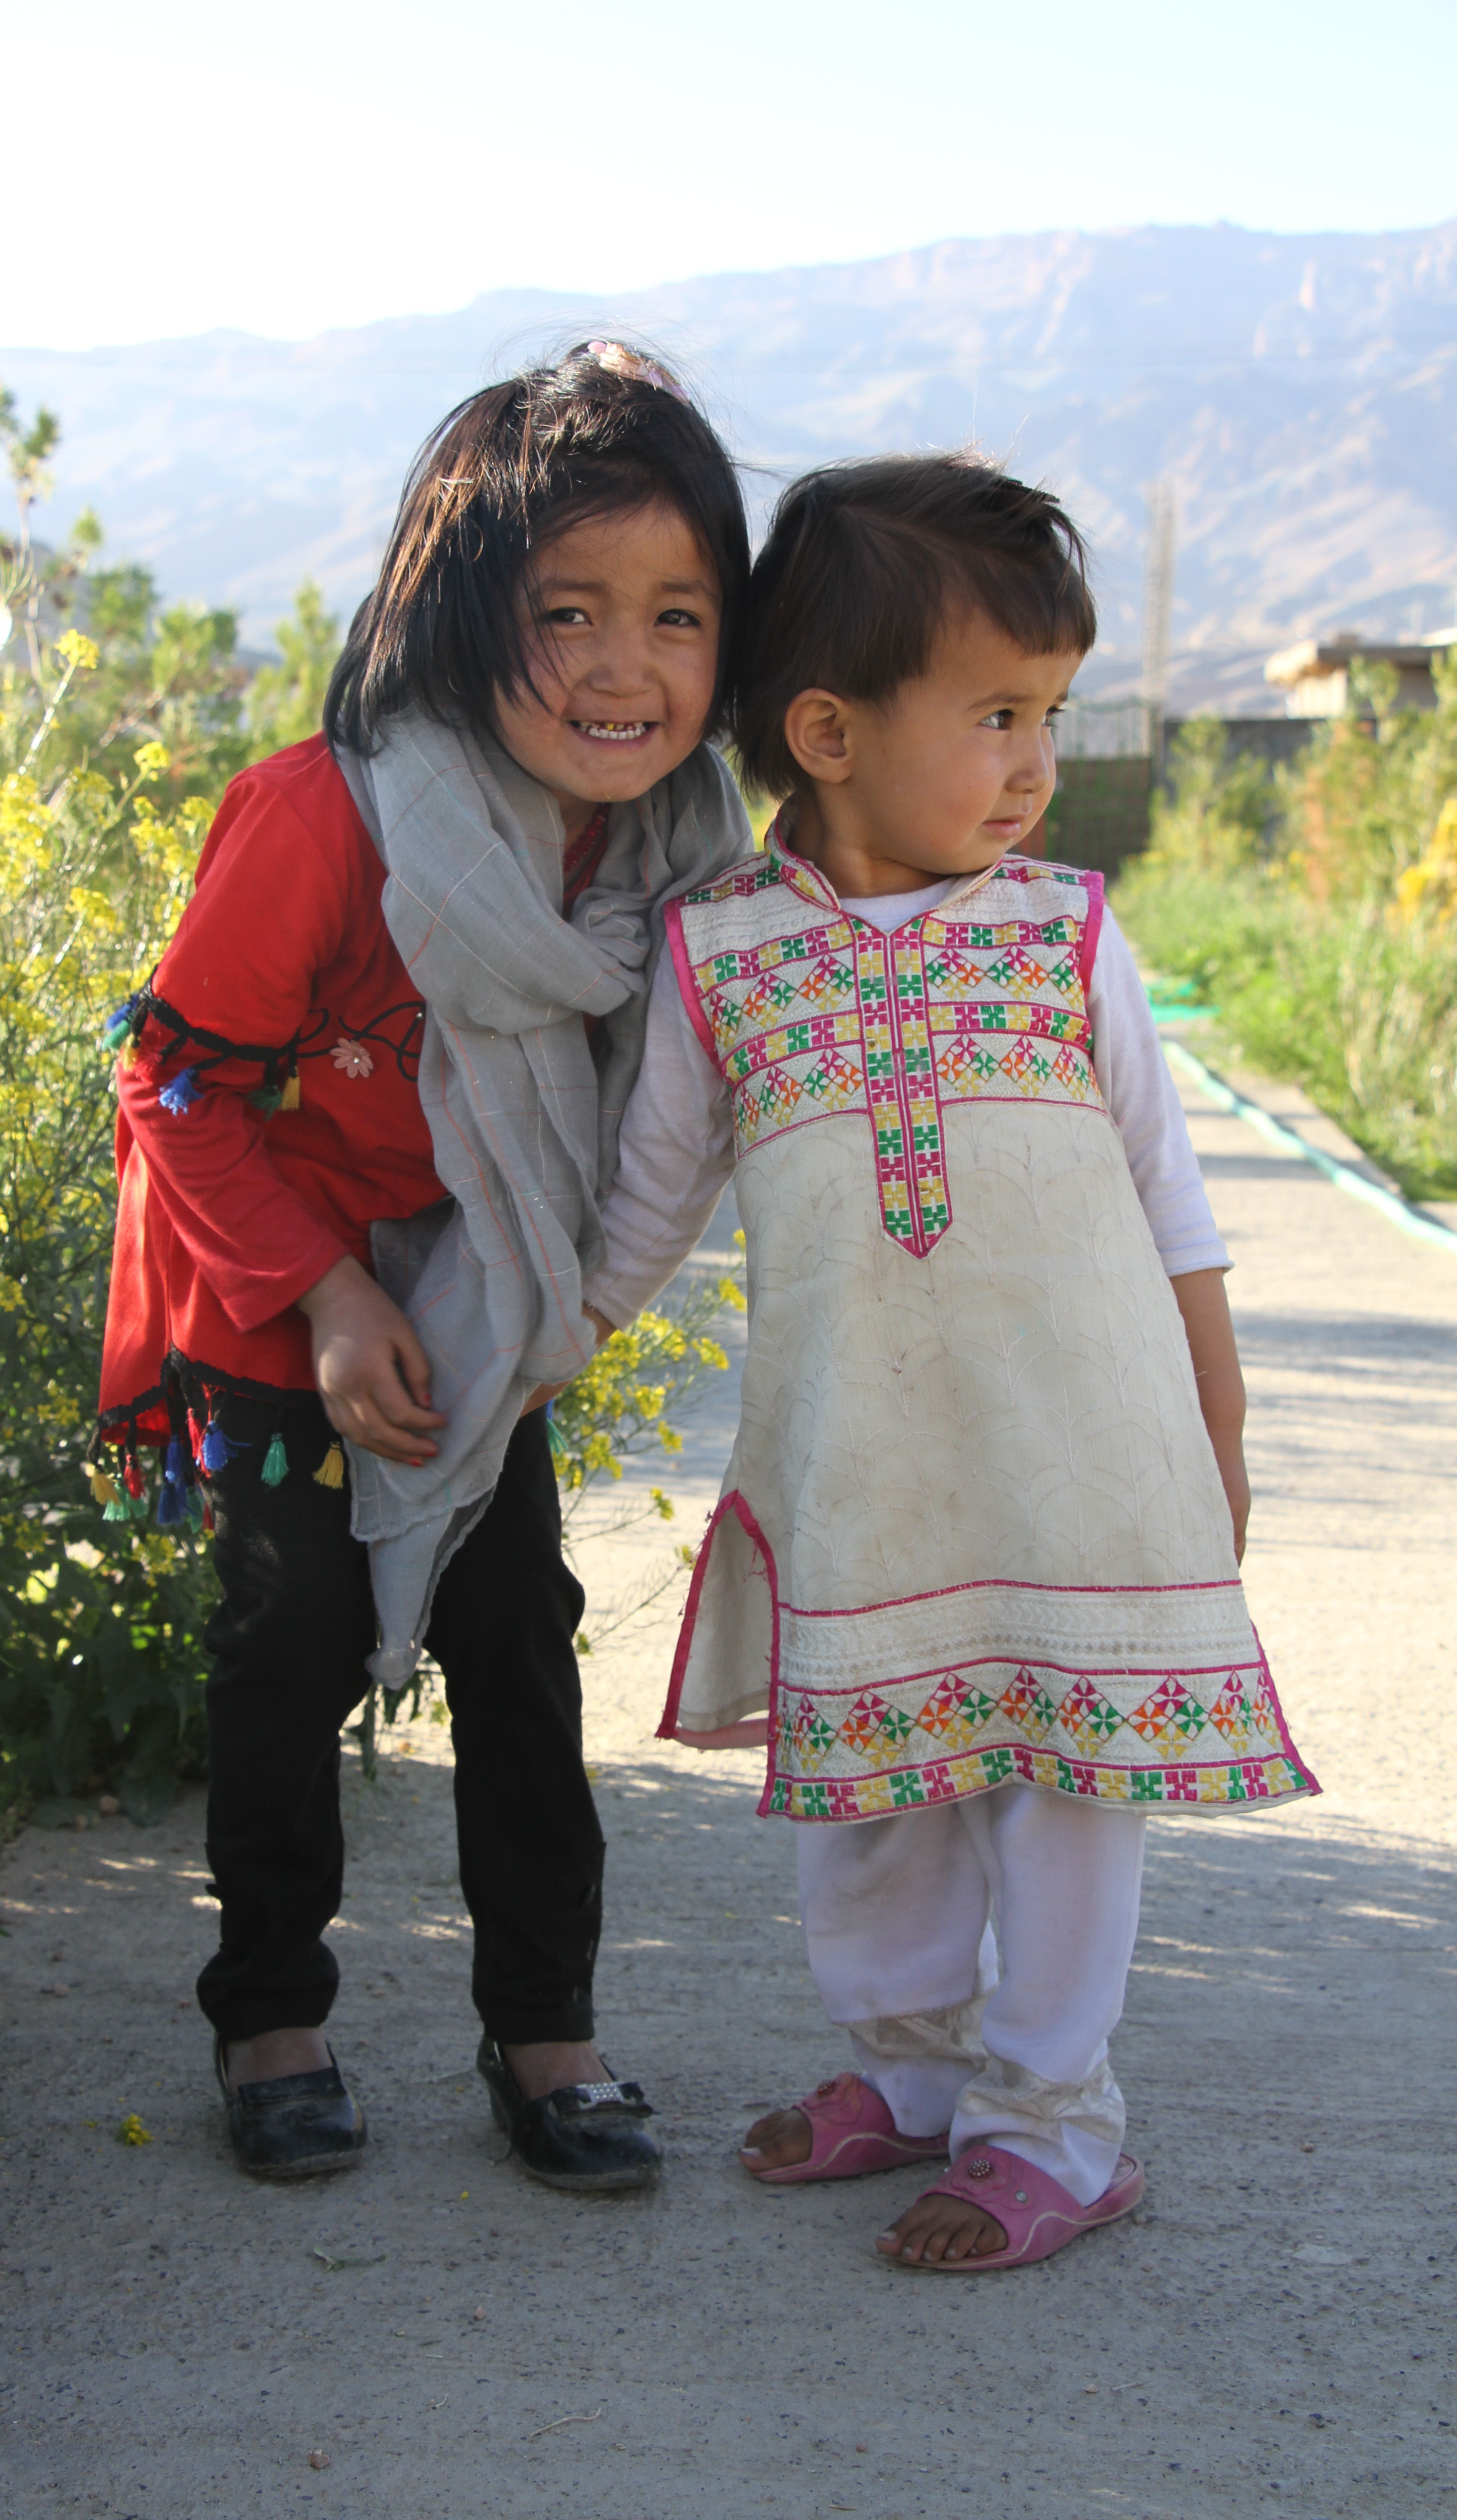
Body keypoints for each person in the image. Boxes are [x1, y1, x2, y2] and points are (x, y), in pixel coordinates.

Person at [579, 453, 1317, 2268]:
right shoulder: (722, 958)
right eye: (997, 714)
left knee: (1067, 1799)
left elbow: (1175, 1203)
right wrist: (529, 1353)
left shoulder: (1067, 933)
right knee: (879, 1796)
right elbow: (644, 1217)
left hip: (1090, 1464)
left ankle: (1056, 2126)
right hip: (865, 1468)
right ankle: (910, 2079)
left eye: (1050, 713)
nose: (1036, 762)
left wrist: (1216, 1429)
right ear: (826, 730)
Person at [90, 341, 754, 2189]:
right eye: (571, 612)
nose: (629, 666)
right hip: (275, 1272)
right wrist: (328, 1297)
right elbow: (173, 1077)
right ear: (459, 617)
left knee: (520, 1644)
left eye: (681, 615)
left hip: (481, 1287)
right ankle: (273, 2018)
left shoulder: (675, 852)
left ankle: (547, 2036)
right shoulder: (336, 816)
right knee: (287, 1638)